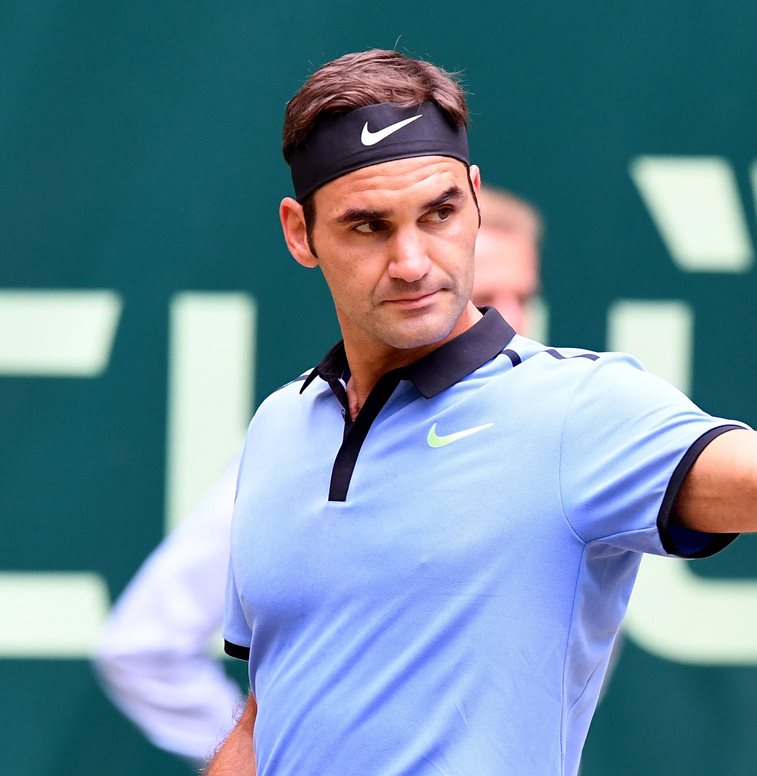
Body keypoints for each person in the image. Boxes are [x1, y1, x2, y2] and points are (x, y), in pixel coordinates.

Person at [210, 49, 757, 776]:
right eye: (368, 227)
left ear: (477, 201)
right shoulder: (282, 426)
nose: (413, 261)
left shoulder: (578, 412)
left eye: (439, 213)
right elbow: (266, 713)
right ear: (299, 233)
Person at [90, 184, 544, 767]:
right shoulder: (303, 443)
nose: (508, 319)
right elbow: (143, 645)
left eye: (522, 295)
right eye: (486, 295)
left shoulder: (569, 437)